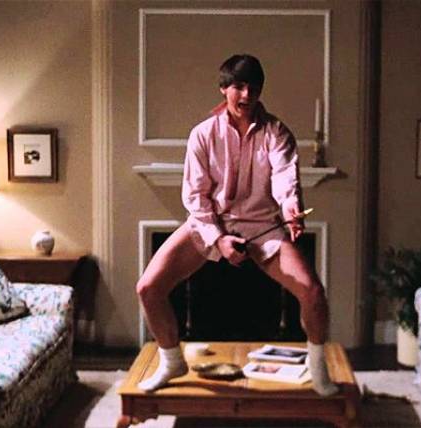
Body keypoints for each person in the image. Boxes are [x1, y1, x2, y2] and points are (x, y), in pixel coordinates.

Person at [136, 54, 338, 396]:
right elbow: (196, 197)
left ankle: (317, 368)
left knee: (314, 293)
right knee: (148, 288)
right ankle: (171, 361)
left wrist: (291, 208)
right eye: (239, 87)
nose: (246, 95)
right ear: (224, 88)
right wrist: (218, 239)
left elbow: (285, 178)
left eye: (253, 88)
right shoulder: (202, 134)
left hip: (263, 226)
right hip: (209, 224)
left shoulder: (277, 131)